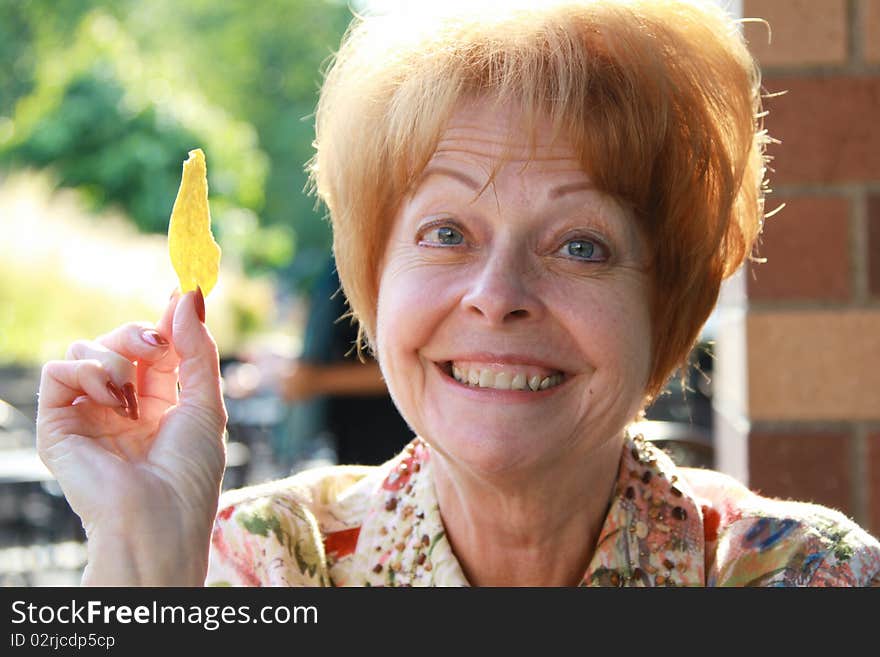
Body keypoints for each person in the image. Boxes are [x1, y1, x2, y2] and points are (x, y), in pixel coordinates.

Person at [36, 0, 880, 586]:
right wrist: (143, 554)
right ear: (374, 278)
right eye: (447, 233)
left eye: (580, 245)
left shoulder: (808, 578)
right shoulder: (255, 563)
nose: (497, 293)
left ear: (665, 308)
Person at [278, 255, 414, 466]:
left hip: (388, 441)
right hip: (354, 437)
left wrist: (317, 380)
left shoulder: (386, 261)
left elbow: (412, 367)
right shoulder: (340, 262)